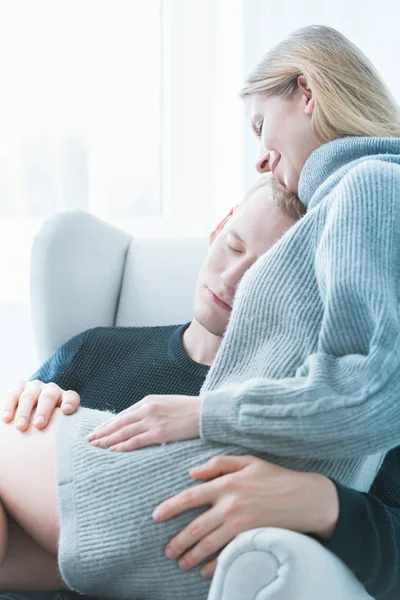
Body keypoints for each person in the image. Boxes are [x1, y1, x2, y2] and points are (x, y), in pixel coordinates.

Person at [2, 23, 400, 600]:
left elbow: (376, 392)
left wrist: (203, 415)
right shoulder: (92, 350)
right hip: (165, 522)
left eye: (261, 126)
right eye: (234, 246)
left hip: (210, 490)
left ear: (307, 92)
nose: (262, 159)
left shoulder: (369, 184)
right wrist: (33, 394)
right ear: (214, 231)